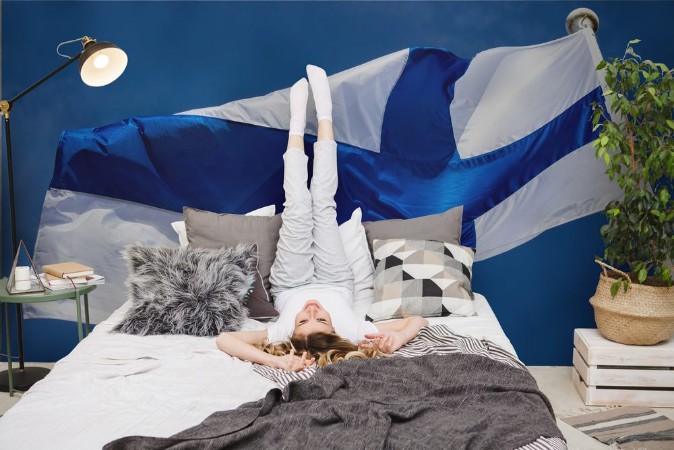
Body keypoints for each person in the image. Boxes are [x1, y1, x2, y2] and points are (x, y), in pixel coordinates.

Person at [216, 65, 428, 372]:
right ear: (335, 330)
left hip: (290, 283)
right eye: (322, 319)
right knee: (323, 204)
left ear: (292, 331)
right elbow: (417, 320)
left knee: (298, 205)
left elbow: (225, 339)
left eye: (303, 319)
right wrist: (398, 337)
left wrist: (274, 360)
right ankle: (325, 113)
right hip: (337, 281)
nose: (312, 310)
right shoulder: (355, 332)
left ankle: (297, 126)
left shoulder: (281, 333)